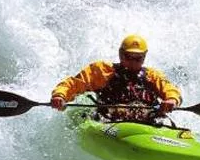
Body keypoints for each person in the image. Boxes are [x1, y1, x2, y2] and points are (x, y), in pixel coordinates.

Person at [50, 34, 181, 123]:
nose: (132, 62)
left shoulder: (152, 76)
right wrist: (60, 96)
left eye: (138, 58)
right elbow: (72, 84)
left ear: (144, 57)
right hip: (108, 122)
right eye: (128, 56)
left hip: (147, 124)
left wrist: (171, 100)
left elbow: (170, 89)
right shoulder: (102, 70)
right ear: (120, 54)